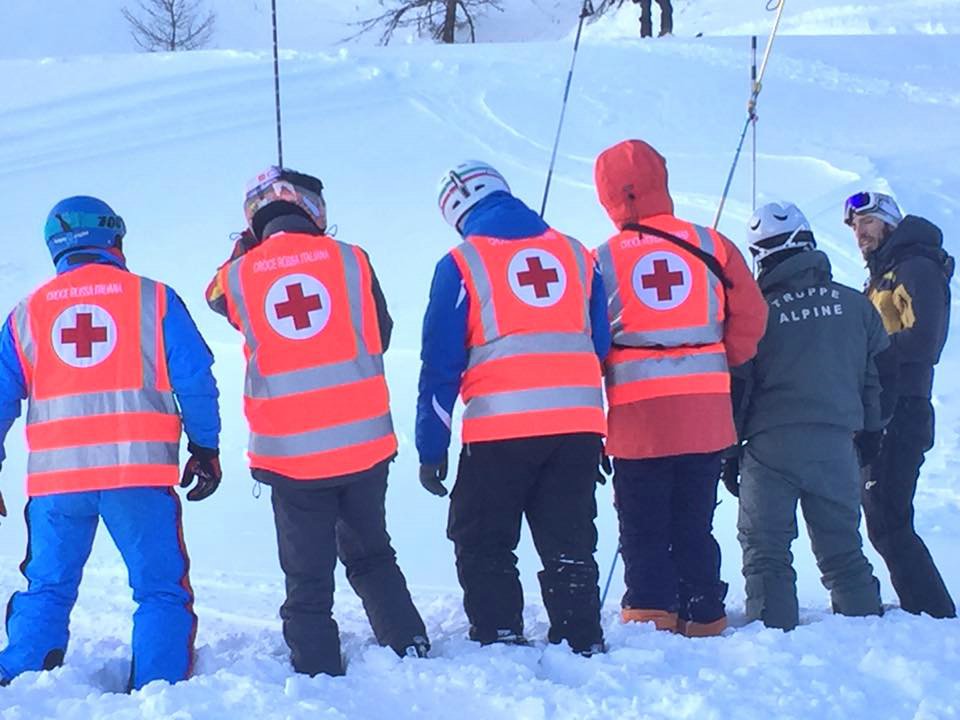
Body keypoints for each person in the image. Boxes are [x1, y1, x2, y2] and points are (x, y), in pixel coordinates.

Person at [205, 166, 428, 677]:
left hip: (291, 455)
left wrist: (247, 248)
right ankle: (409, 645)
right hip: (365, 443)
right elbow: (383, 332)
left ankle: (316, 668)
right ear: (314, 209)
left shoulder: (238, 275)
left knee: (307, 575)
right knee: (373, 552)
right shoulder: (353, 259)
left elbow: (216, 297)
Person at [0, 196, 221, 690]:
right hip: (138, 478)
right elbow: (196, 378)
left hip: (58, 484)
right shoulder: (155, 299)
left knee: (48, 586)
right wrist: (205, 448)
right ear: (113, 237)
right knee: (160, 589)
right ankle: (158, 687)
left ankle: (20, 679)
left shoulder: (25, 315)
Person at [417, 160, 609, 655]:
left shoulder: (460, 264)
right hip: (580, 423)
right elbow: (602, 343)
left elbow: (440, 364)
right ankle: (581, 635)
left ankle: (500, 632)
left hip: (500, 427)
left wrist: (431, 446)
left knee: (481, 535)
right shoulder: (576, 253)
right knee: (568, 537)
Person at [593, 139, 766, 636]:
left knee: (643, 526)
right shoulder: (712, 244)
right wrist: (721, 358)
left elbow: (590, 335)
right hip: (706, 416)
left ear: (606, 195)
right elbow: (752, 317)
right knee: (694, 521)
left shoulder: (600, 259)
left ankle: (649, 615)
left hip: (636, 420)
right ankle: (704, 613)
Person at [726, 201, 885, 631]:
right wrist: (872, 433)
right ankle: (865, 629)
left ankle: (772, 630)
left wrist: (728, 448)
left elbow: (739, 384)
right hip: (836, 445)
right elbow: (875, 377)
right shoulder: (856, 305)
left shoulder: (755, 313)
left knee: (765, 551)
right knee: (843, 549)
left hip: (769, 448)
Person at [844, 191, 956, 619]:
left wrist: (867, 356)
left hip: (904, 405)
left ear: (890, 220)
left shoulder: (914, 267)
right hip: (884, 408)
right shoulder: (885, 274)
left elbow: (926, 340)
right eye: (855, 227)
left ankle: (931, 611)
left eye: (868, 222)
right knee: (883, 514)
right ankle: (923, 607)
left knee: (887, 514)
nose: (860, 233)